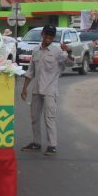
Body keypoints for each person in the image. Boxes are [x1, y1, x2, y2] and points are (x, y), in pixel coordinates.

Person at [19, 24, 70, 157]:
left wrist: (68, 51)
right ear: (42, 34)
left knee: (49, 118)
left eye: (51, 35)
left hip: (50, 90)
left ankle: (52, 145)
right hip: (36, 90)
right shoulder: (36, 50)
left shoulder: (58, 51)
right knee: (34, 117)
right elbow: (30, 71)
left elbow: (70, 63)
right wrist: (24, 88)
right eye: (47, 34)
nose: (49, 37)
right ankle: (36, 143)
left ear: (53, 37)